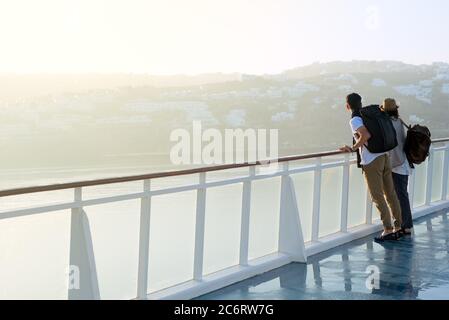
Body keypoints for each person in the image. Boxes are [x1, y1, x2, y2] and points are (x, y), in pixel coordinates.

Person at [340, 93, 402, 242]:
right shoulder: (368, 115)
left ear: (347, 106)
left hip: (372, 160)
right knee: (390, 193)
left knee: (377, 196)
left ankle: (387, 229)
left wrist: (353, 148)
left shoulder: (355, 119)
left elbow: (365, 135)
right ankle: (398, 227)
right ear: (360, 103)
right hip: (384, 156)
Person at [381, 98, 414, 236]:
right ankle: (403, 224)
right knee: (401, 195)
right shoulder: (398, 121)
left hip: (396, 164)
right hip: (403, 162)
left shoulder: (387, 123)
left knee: (400, 195)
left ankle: (406, 226)